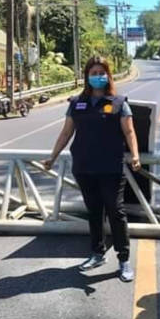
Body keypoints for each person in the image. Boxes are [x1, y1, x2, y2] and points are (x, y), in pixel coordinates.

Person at [43, 56, 141, 283]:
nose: (98, 76)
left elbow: (129, 132)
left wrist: (135, 156)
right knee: (94, 212)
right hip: (84, 167)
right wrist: (52, 157)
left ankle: (124, 259)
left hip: (110, 167)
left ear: (108, 74)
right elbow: (66, 133)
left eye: (102, 72)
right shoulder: (76, 103)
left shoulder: (118, 102)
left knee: (116, 212)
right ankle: (97, 254)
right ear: (87, 76)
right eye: (93, 73)